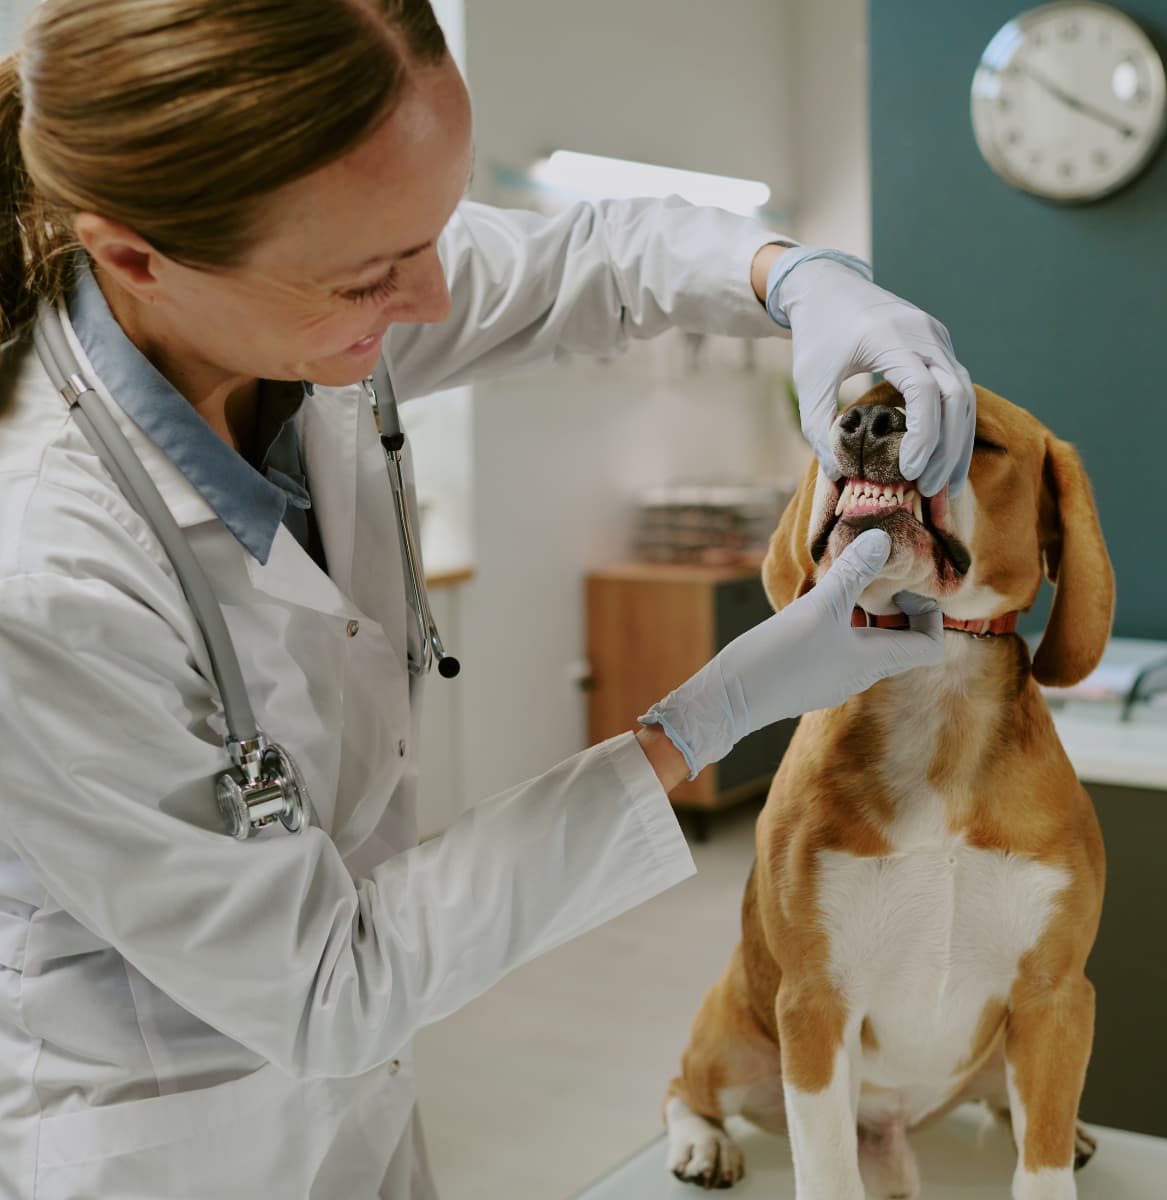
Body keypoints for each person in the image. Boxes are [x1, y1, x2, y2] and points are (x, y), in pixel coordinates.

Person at [0, 2, 972, 1197]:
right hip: (167, 1148)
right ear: (137, 257)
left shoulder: (294, 310)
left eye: (435, 225)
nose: (430, 298)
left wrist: (803, 279)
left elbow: (591, 261)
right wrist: (701, 720)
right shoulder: (43, 571)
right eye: (371, 274)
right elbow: (328, 987)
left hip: (359, 1121)